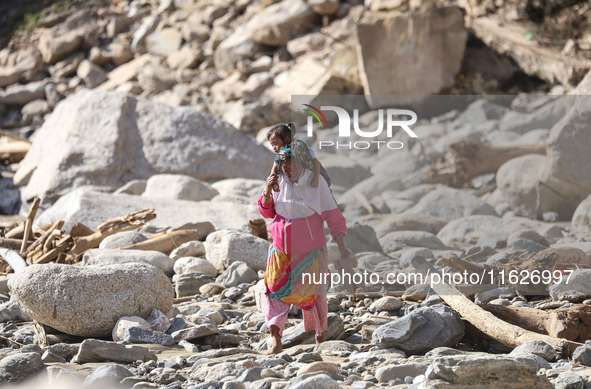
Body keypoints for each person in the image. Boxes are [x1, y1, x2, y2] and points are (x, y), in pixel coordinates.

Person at [258, 147, 349, 354]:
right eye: (285, 167)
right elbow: (266, 212)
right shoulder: (278, 181)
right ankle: (276, 341)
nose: (289, 171)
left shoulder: (316, 184)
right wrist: (267, 190)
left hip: (311, 252)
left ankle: (320, 336)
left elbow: (334, 218)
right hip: (281, 251)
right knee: (272, 291)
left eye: (294, 167)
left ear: (304, 165)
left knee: (316, 295)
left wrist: (343, 248)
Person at [266, 123, 330, 192]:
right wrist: (274, 182)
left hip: (314, 175)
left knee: (326, 192)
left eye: (275, 143)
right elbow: (274, 167)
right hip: (296, 181)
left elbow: (316, 162)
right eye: (272, 145)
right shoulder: (282, 154)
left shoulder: (301, 148)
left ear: (287, 139)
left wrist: (316, 178)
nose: (273, 148)